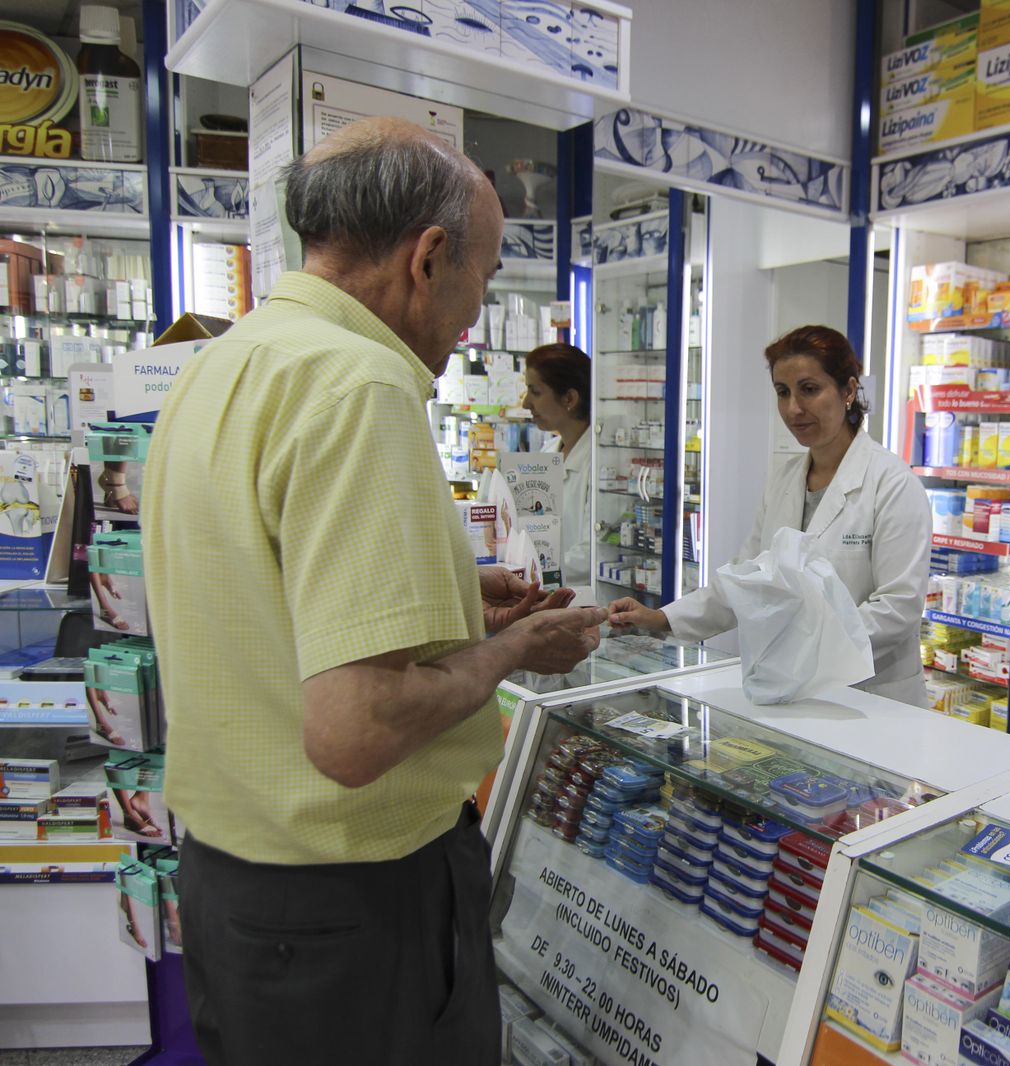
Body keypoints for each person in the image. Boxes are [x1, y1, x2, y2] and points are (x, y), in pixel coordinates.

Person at [143, 117, 607, 1066]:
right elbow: (356, 732)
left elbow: (260, 585)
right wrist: (513, 650)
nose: (478, 309)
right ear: (428, 258)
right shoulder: (359, 385)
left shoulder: (222, 364)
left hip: (233, 886)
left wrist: (451, 596)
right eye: (483, 276)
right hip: (351, 908)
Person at [608, 325, 933, 707]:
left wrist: (803, 651)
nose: (793, 408)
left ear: (848, 391)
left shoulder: (892, 483)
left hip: (873, 697)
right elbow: (746, 580)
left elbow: (898, 607)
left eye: (809, 389)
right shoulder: (785, 480)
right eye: (783, 392)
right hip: (792, 689)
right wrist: (662, 619)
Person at [521, 342, 593, 587]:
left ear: (569, 398)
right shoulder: (547, 452)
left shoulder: (599, 461)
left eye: (535, 392)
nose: (526, 403)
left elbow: (591, 555)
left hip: (584, 599)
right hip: (544, 592)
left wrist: (532, 575)